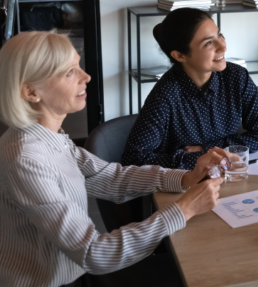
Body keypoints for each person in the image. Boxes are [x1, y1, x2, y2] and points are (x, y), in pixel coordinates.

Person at [0, 31, 226, 287]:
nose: (86, 77)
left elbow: (109, 177)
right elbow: (93, 254)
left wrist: (185, 177)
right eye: (69, 72)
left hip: (74, 272)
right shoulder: (26, 158)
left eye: (78, 66)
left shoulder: (49, 138)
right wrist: (184, 209)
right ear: (31, 92)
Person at [123, 8, 258, 169]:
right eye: (209, 43)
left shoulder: (236, 76)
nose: (223, 46)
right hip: (182, 185)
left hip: (229, 176)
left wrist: (208, 149)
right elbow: (134, 159)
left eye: (219, 35)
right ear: (179, 56)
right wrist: (198, 159)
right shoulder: (166, 94)